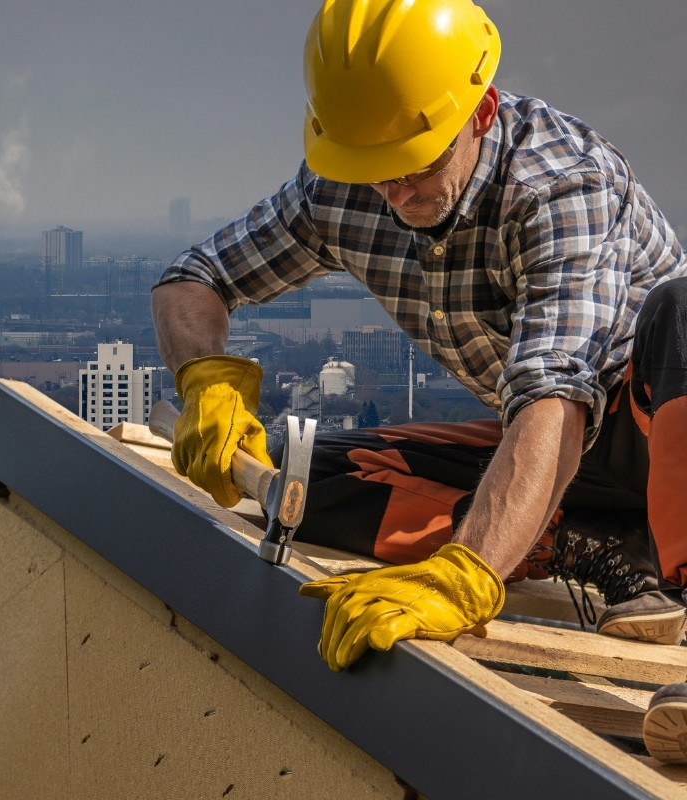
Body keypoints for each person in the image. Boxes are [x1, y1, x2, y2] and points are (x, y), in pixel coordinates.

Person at [151, 0, 687, 762]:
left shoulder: (559, 187)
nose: (396, 193)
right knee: (306, 482)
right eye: (372, 171)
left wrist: (463, 578)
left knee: (686, 312)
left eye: (418, 163)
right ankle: (607, 549)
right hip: (555, 457)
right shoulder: (344, 186)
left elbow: (555, 397)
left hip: (651, 427)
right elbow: (192, 280)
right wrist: (207, 380)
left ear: (482, 111)